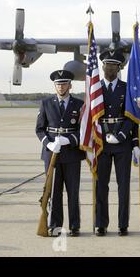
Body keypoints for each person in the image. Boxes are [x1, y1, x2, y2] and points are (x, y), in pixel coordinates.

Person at [35, 69, 85, 237]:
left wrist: (69, 140)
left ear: (70, 85)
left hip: (71, 153)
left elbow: (83, 131)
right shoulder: (46, 103)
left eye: (64, 83)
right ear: (54, 86)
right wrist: (48, 144)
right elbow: (39, 129)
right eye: (58, 84)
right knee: (54, 191)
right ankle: (55, 226)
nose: (61, 86)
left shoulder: (79, 105)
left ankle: (74, 225)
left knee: (73, 191)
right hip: (52, 155)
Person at [95, 50, 139, 237]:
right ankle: (100, 224)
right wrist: (99, 136)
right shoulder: (95, 89)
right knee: (100, 185)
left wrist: (121, 135)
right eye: (107, 64)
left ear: (119, 68)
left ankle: (123, 224)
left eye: (114, 65)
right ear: (102, 66)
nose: (110, 68)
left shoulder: (126, 88)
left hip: (122, 143)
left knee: (123, 185)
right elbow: (90, 115)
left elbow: (132, 115)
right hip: (101, 142)